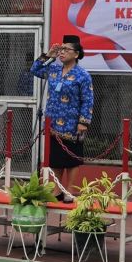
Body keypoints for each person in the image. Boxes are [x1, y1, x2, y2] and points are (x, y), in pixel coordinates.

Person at [30, 35, 94, 203]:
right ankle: (57, 190)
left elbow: (88, 100)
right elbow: (35, 70)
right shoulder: (54, 69)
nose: (62, 52)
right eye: (61, 49)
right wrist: (49, 55)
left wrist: (83, 122)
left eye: (67, 49)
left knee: (71, 159)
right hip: (53, 122)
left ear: (77, 54)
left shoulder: (82, 75)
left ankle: (70, 190)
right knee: (56, 159)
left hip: (73, 124)